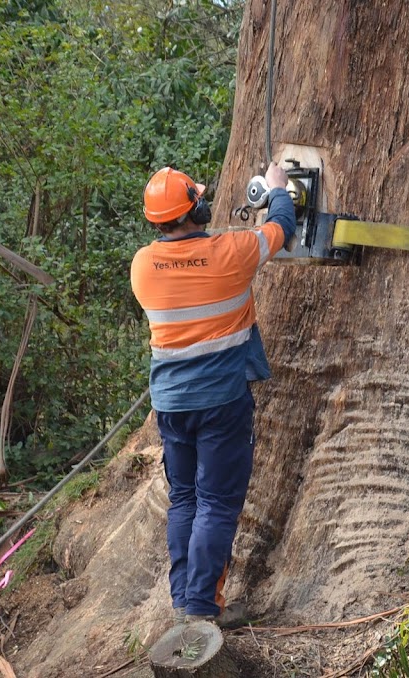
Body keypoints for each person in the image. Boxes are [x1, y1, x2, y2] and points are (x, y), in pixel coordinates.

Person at [130, 162, 295, 626]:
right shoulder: (232, 253)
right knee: (217, 502)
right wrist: (279, 189)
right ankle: (201, 611)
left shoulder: (142, 265)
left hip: (170, 404)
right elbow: (280, 228)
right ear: (197, 209)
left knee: (185, 499)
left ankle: (185, 599)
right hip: (221, 402)